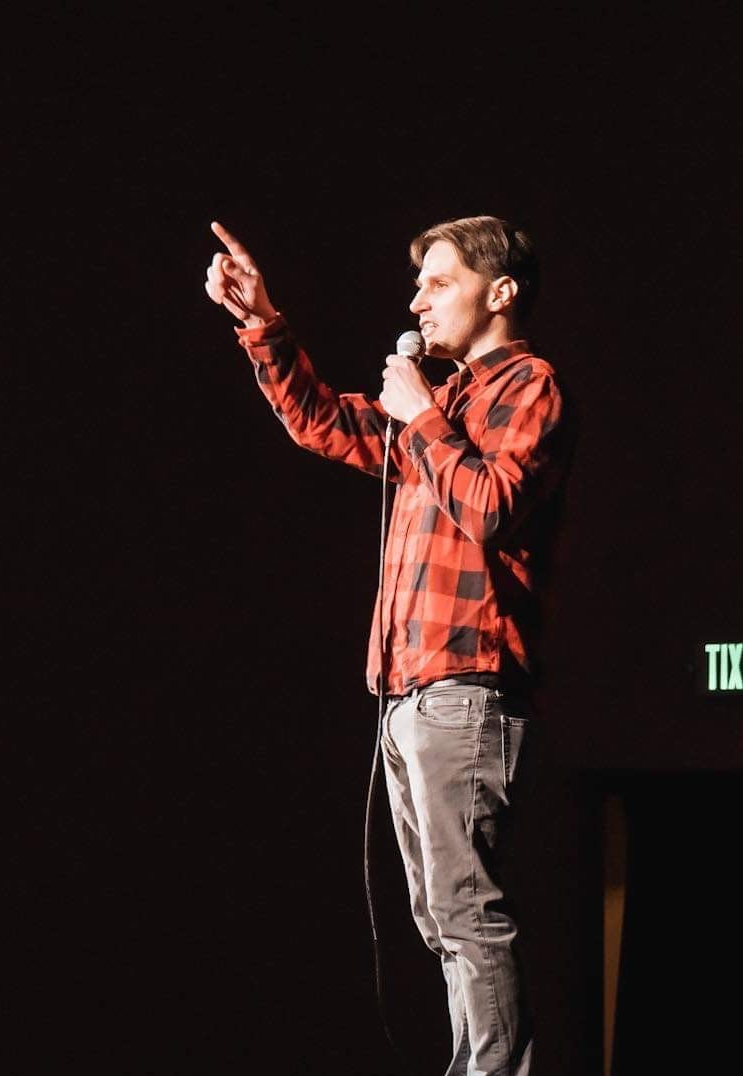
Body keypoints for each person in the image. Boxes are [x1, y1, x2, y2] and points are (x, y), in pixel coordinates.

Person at [205, 216, 572, 1076]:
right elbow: (324, 423)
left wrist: (421, 418)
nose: (418, 300)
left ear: (501, 292)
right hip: (408, 688)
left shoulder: (530, 386)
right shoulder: (433, 405)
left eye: (438, 283)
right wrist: (260, 319)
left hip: (466, 683)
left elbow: (491, 507)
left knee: (467, 909)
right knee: (440, 913)